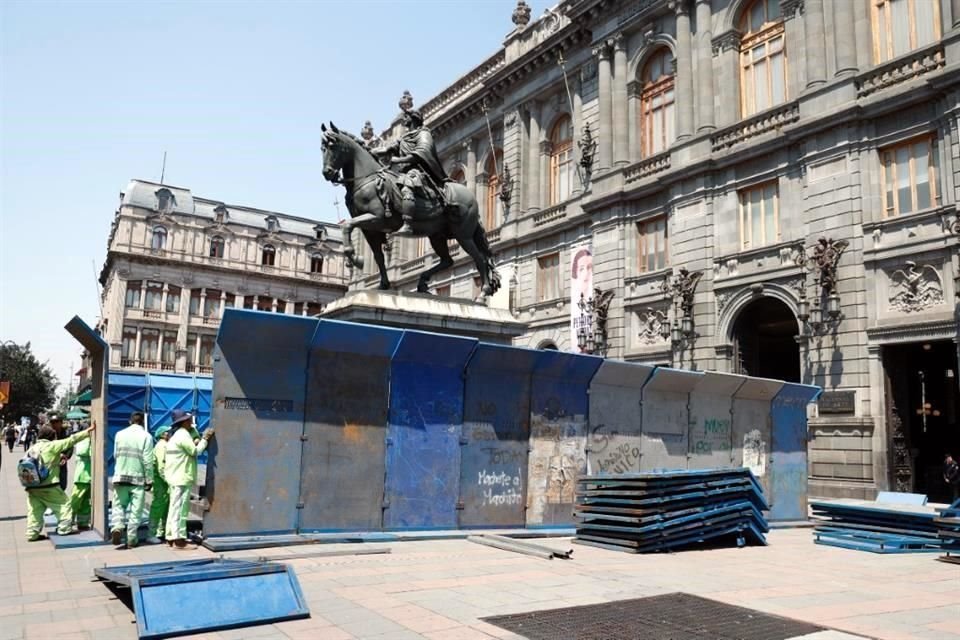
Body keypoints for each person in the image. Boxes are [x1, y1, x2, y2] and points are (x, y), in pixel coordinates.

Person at [372, 108, 449, 235]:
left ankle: (407, 224)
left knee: (406, 186)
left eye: (406, 117)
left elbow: (421, 153)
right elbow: (387, 149)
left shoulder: (423, 134)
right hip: (403, 171)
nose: (404, 119)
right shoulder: (404, 137)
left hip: (419, 171)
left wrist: (398, 160)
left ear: (413, 118)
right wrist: (371, 151)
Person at [23, 421, 96, 541]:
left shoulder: (32, 449)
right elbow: (72, 440)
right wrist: (89, 430)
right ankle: (64, 529)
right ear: (52, 437)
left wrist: (59, 457)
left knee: (35, 510)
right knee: (64, 505)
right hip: (49, 485)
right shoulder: (52, 445)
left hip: (32, 486)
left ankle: (32, 533)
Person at [165, 410, 214, 549]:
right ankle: (179, 539)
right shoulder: (183, 435)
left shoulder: (177, 436)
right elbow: (195, 451)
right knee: (180, 509)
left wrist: (195, 435)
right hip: (181, 478)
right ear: (184, 421)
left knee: (174, 508)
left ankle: (170, 537)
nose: (191, 421)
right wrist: (205, 438)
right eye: (189, 419)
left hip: (175, 477)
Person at [110, 411, 154, 548]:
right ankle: (131, 538)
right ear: (142, 422)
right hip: (137, 479)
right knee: (136, 510)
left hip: (120, 477)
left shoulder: (119, 434)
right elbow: (148, 460)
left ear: (130, 421)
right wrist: (150, 479)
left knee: (118, 506)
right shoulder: (146, 436)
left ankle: (117, 526)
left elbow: (115, 454)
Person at [148, 425, 172, 541]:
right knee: (158, 507)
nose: (170, 433)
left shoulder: (163, 445)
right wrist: (169, 481)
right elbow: (162, 467)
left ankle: (160, 532)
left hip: (162, 483)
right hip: (161, 483)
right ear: (163, 434)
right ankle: (151, 534)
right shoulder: (162, 446)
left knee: (164, 508)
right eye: (168, 431)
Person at [69, 432, 93, 530]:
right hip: (82, 476)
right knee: (75, 500)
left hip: (88, 476)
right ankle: (67, 520)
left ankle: (82, 522)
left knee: (86, 502)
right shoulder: (84, 441)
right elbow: (84, 452)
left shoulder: (88, 441)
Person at [48, 414, 72, 491]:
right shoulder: (48, 433)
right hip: (50, 462)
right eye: (52, 422)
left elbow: (70, 446)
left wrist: (66, 456)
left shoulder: (66, 433)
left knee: (62, 484)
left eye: (56, 422)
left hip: (62, 462)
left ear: (61, 422)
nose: (54, 424)